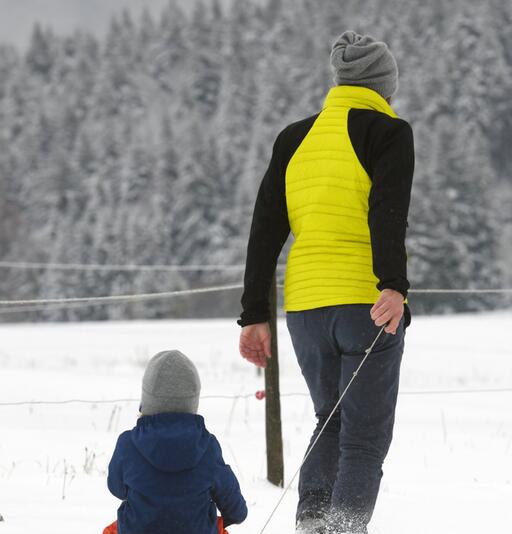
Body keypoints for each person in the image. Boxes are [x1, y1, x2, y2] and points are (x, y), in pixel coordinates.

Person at [238, 31, 414, 534]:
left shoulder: (294, 138)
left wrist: (254, 314)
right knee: (363, 438)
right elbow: (388, 212)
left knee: (330, 421)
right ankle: (340, 530)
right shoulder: (388, 131)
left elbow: (264, 230)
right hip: (366, 304)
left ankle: (311, 524)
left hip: (307, 308)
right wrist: (393, 284)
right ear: (384, 85)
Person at [105, 350, 247, 534]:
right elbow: (235, 508)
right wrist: (230, 517)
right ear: (192, 401)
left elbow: (117, 489)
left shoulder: (128, 443)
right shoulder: (207, 446)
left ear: (147, 400)